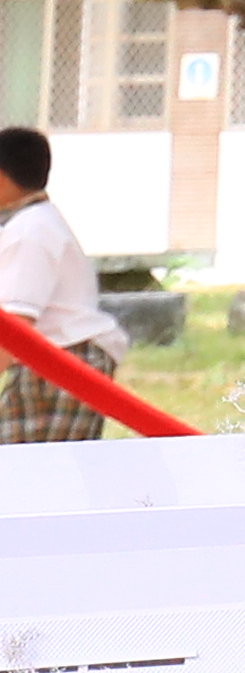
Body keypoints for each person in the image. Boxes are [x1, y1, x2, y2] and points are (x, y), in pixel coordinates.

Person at [0, 123, 126, 442]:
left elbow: (16, 326)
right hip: (51, 360)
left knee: (32, 461)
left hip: (64, 360)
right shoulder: (35, 222)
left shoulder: (29, 233)